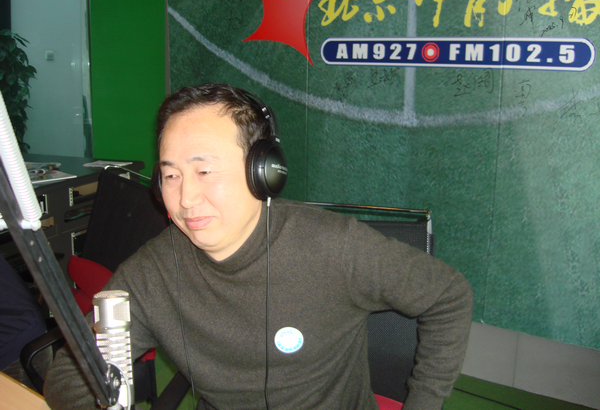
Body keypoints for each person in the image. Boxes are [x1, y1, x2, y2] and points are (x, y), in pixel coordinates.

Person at [44, 83, 473, 410]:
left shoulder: (334, 247)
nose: (186, 198)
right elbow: (70, 372)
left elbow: (448, 296)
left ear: (263, 172)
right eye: (171, 176)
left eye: (205, 171)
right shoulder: (151, 272)